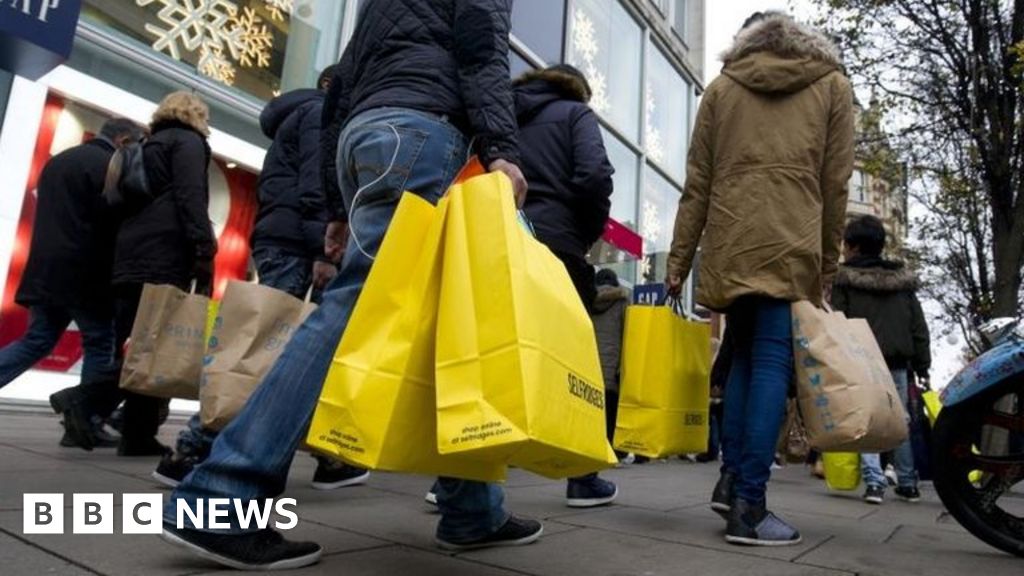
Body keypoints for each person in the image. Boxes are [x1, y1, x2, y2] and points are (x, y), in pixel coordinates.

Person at [160, 1, 539, 570]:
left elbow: (342, 81)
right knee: (352, 306)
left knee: (448, 320)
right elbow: (482, 49)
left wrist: (338, 202)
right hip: (424, 132)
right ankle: (224, 494)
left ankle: (473, 508)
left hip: (367, 136)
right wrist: (503, 151)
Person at [665, 11, 854, 546]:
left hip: (731, 236)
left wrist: (679, 262)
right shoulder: (831, 85)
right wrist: (826, 266)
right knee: (770, 358)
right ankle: (750, 502)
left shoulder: (722, 89)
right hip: (791, 237)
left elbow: (696, 182)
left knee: (746, 354)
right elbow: (835, 183)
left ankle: (730, 482)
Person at [152, 68, 368, 492]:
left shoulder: (302, 114)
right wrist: (321, 251)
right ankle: (193, 449)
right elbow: (315, 188)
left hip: (281, 239)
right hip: (298, 244)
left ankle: (324, 457)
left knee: (280, 347)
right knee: (272, 352)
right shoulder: (318, 113)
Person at [52, 92, 219, 457]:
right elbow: (191, 196)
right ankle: (81, 399)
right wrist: (204, 248)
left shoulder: (145, 145)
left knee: (138, 342)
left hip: (131, 254)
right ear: (197, 115)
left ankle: (137, 434)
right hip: (163, 255)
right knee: (150, 346)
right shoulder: (188, 142)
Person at [3, 119, 144, 447]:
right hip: (86, 271)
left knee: (36, 340)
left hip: (45, 268)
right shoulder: (109, 166)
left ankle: (82, 420)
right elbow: (112, 221)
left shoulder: (59, 161)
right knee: (99, 342)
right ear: (123, 140)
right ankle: (84, 421)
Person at [514, 64, 617, 506]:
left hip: (504, 239)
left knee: (505, 351)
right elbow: (594, 176)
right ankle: (582, 476)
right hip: (559, 243)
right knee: (575, 361)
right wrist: (587, 231)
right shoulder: (576, 114)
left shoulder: (504, 114)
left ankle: (457, 481)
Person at [832, 215, 931, 505]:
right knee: (900, 422)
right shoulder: (902, 283)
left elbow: (837, 321)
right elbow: (918, 327)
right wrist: (923, 363)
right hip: (899, 362)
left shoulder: (845, 280)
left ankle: (874, 482)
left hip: (861, 359)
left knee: (867, 420)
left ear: (853, 247)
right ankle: (908, 481)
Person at [591, 269, 630, 459]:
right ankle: (613, 450)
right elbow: (627, 331)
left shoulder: (587, 298)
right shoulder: (621, 301)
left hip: (590, 361)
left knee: (592, 407)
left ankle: (594, 447)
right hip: (612, 362)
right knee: (612, 408)